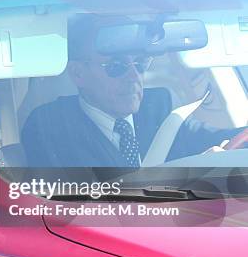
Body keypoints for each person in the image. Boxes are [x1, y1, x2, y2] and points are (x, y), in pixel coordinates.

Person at [21, 14, 241, 167]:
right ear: (78, 73)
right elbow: (67, 203)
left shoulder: (161, 106)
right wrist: (190, 175)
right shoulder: (50, 125)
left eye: (141, 63)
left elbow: (220, 138)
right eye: (116, 66)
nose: (134, 77)